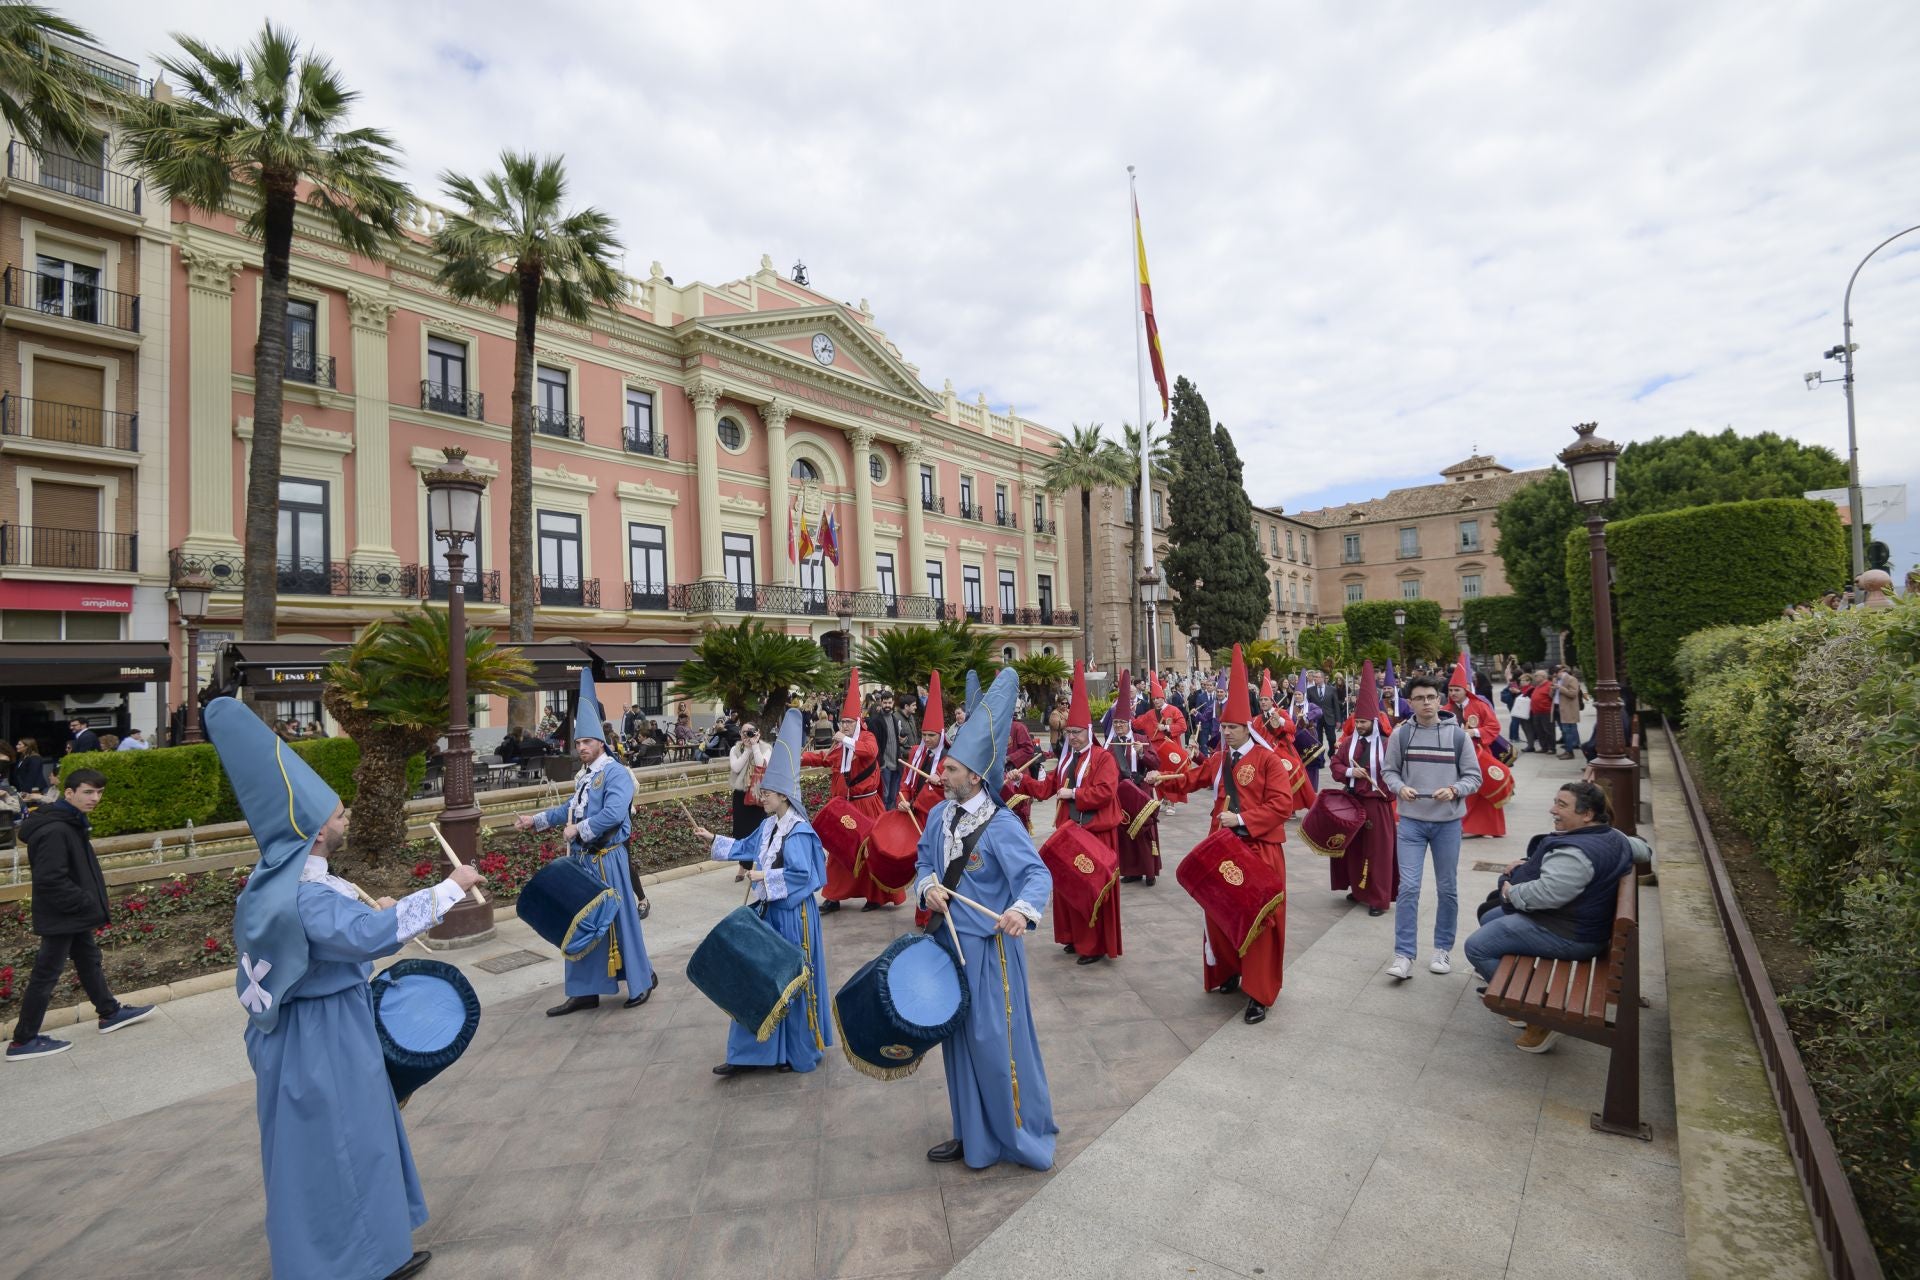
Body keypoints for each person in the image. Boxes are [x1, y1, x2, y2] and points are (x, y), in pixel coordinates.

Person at [204, 697, 484, 1280]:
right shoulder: (307, 894)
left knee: (313, 1152)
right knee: (348, 1145)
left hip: (292, 1036)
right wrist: (450, 888)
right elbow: (367, 937)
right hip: (326, 1034)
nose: (346, 816)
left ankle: (352, 1253)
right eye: (335, 812)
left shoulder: (269, 885)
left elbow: (334, 933)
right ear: (311, 834)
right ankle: (359, 1261)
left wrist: (370, 911)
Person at [915, 667, 1057, 1170]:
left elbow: (1037, 876)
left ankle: (1014, 1133)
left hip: (990, 952)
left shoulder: (1001, 827)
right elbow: (923, 860)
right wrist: (928, 885)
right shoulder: (936, 816)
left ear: (974, 775)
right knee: (956, 1044)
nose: (942, 774)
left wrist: (1021, 911)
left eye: (950, 769)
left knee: (996, 1044)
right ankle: (970, 1132)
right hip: (947, 945)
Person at [1146, 645, 1295, 1024]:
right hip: (1223, 847)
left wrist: (1242, 819)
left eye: (1232, 727)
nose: (1225, 732)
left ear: (1247, 728)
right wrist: (1161, 778)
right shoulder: (1220, 758)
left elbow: (1282, 805)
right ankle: (1229, 971)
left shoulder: (1268, 761)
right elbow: (1193, 778)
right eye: (1224, 727)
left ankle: (1259, 992)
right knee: (1220, 913)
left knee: (1259, 921)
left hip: (1259, 849)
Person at [692, 707, 832, 1075]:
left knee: (787, 982)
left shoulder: (799, 832)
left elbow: (805, 876)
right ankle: (749, 1054)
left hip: (794, 918)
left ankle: (792, 1051)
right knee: (757, 976)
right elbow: (747, 846)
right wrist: (713, 840)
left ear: (785, 796)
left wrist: (764, 880)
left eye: (767, 792)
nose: (761, 796)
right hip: (772, 914)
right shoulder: (770, 826)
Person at [513, 669, 657, 1016]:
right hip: (584, 863)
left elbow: (614, 813)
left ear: (601, 743)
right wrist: (537, 821)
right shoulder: (586, 777)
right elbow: (569, 810)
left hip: (609, 860)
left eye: (586, 743)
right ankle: (584, 990)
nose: (581, 748)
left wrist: (580, 830)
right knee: (580, 922)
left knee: (621, 921)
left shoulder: (616, 773)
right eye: (578, 743)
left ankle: (641, 980)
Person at [1464, 781, 1645, 1053]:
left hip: (1570, 935)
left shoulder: (1577, 853)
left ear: (1587, 815)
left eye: (1562, 805)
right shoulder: (1613, 836)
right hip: (1577, 923)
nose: (1553, 810)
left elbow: (1546, 895)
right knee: (1491, 919)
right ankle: (1513, 993)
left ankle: (1540, 1016)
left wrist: (1511, 892)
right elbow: (1644, 850)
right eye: (1555, 802)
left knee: (1477, 946)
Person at [6, 768, 155, 1062]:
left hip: (70, 913)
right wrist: (85, 902)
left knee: (89, 960)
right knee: (46, 974)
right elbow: (51, 880)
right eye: (88, 792)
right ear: (69, 793)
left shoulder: (69, 822)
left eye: (99, 792)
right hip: (63, 913)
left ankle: (109, 1013)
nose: (95, 798)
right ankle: (23, 1041)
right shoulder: (56, 829)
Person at [1020, 661, 1124, 964]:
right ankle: (1074, 938)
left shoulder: (1103, 758)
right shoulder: (1066, 760)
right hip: (1070, 833)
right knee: (1070, 889)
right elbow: (1045, 789)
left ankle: (1094, 945)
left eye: (1078, 732)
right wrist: (1021, 780)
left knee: (1092, 890)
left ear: (1088, 731)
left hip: (1096, 833)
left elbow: (1106, 793)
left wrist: (1075, 793)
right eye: (1069, 732)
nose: (1073, 737)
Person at [1382, 674, 1482, 982]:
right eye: (1420, 698)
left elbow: (1474, 778)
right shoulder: (1401, 735)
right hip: (1411, 822)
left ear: (1440, 700)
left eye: (1431, 697)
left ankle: (1442, 949)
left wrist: (1453, 789)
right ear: (1409, 702)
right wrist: (1400, 788)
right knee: (1408, 887)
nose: (1427, 703)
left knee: (1447, 888)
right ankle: (1404, 954)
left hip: (1447, 824)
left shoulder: (1458, 737)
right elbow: (1389, 771)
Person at [804, 668, 899, 913]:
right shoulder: (839, 746)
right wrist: (798, 757)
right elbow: (823, 759)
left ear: (858, 722)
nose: (844, 725)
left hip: (867, 804)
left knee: (872, 849)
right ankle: (833, 896)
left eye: (849, 722)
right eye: (843, 721)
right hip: (844, 805)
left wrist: (845, 739)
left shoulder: (866, 739)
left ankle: (876, 896)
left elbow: (870, 753)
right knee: (837, 850)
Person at [1327, 661, 1398, 918]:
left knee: (1378, 852)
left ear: (1374, 722)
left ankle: (1378, 898)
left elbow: (1397, 772)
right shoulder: (1348, 743)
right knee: (1353, 848)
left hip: (1377, 804)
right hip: (1353, 801)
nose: (1360, 726)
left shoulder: (1388, 744)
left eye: (1365, 722)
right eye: (1357, 721)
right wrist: (1349, 772)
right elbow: (1335, 765)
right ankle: (1358, 889)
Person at [1102, 671, 1161, 886]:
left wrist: (1142, 753)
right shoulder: (1111, 746)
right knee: (1125, 832)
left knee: (1146, 832)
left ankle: (1150, 871)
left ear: (1129, 722)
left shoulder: (1141, 739)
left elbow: (1156, 764)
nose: (1118, 726)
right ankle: (1132, 870)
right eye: (1115, 723)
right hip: (1123, 792)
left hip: (1142, 790)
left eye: (1121, 723)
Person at [1446, 657, 1509, 840]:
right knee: (1463, 792)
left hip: (1479, 754)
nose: (1453, 693)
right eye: (1450, 690)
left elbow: (1494, 727)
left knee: (1485, 792)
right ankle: (1463, 825)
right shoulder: (1445, 708)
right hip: (1454, 757)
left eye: (1457, 690)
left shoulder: (1480, 706)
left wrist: (1473, 732)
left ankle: (1489, 827)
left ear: (1466, 690)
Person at [897, 670, 949, 826]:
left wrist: (940, 783)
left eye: (931, 735)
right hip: (912, 815)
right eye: (924, 734)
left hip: (936, 819)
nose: (926, 739)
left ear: (941, 735)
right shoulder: (916, 753)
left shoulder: (950, 759)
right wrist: (902, 800)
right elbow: (905, 783)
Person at [727, 722, 772, 839]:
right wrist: (747, 751)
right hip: (741, 795)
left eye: (750, 732)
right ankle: (743, 857)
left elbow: (760, 765)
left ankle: (758, 856)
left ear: (758, 733)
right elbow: (736, 768)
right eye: (743, 732)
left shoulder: (766, 748)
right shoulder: (735, 749)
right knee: (741, 831)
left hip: (758, 794)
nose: (746, 735)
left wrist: (755, 746)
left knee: (758, 830)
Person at [1555, 666, 1585, 759]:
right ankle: (1567, 750)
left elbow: (1572, 694)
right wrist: (1553, 689)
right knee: (1565, 731)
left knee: (1568, 731)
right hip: (1560, 709)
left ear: (1561, 672)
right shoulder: (1558, 680)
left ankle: (1570, 752)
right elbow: (1554, 695)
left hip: (1568, 709)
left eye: (1555, 673)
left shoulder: (1572, 679)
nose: (1554, 676)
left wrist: (1560, 688)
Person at [1526, 670, 1556, 754]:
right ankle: (1544, 747)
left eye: (1536, 675)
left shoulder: (1549, 685)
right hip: (1536, 712)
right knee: (1539, 730)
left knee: (1548, 730)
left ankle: (1551, 748)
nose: (1535, 677)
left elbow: (1552, 697)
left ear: (1543, 677)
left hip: (1546, 711)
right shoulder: (1538, 686)